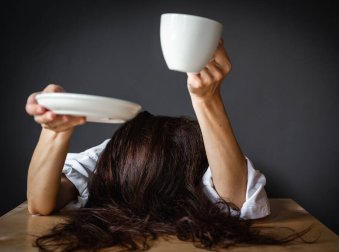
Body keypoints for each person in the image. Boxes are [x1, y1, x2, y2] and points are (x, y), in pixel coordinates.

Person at [25, 41, 307, 251]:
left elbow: (238, 198)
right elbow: (41, 204)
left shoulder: (206, 161)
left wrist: (206, 99)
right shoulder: (108, 154)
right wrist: (54, 130)